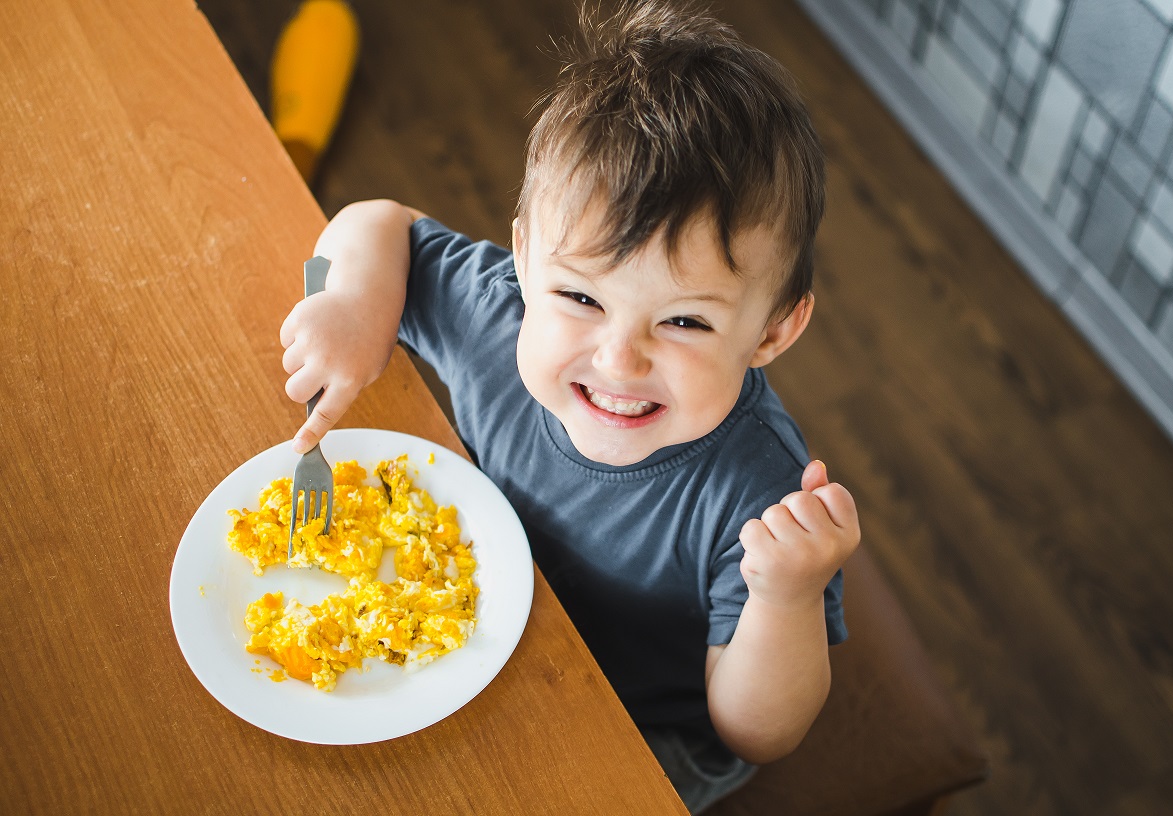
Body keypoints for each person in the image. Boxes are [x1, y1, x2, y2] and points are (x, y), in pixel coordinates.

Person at [278, 1, 860, 811]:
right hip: (477, 625)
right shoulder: (498, 313)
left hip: (641, 724)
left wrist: (786, 595)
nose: (619, 358)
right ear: (522, 256)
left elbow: (755, 733)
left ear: (772, 331)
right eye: (581, 298)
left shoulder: (759, 496)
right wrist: (355, 305)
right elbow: (377, 223)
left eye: (685, 320)